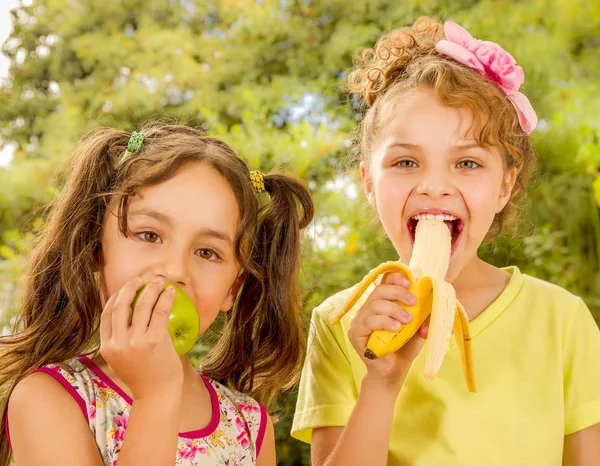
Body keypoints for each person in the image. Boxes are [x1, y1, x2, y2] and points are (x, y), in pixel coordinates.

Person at [291, 16, 600, 465]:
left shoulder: (562, 321)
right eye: (405, 162)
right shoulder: (339, 323)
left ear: (505, 186)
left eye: (468, 163)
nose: (435, 186)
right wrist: (380, 383)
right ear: (369, 184)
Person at [0, 122, 314, 466]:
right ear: (95, 247)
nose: (175, 270)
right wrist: (156, 397)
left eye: (207, 252)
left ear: (233, 289)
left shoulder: (249, 424)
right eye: (149, 235)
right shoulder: (48, 398)